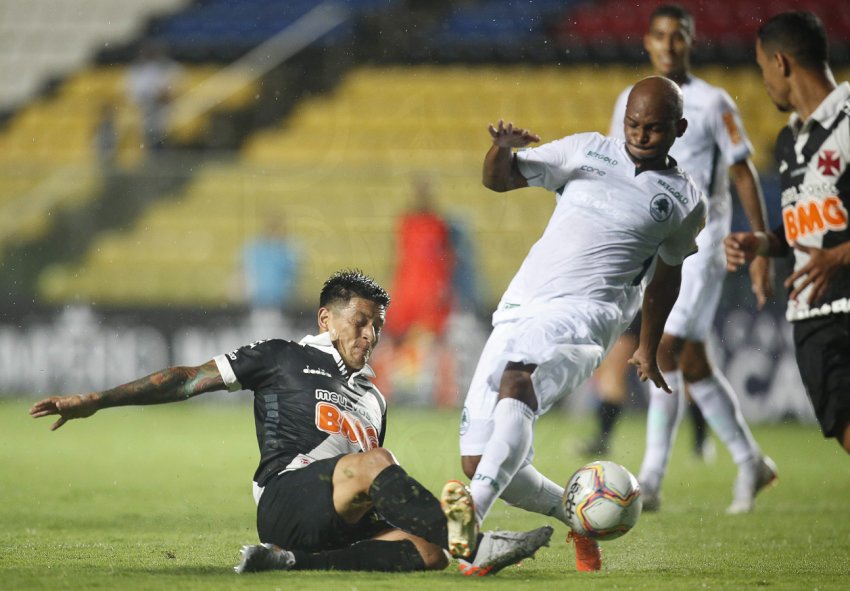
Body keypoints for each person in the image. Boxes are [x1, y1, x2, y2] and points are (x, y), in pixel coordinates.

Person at [30, 269, 552, 575]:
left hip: (336, 516)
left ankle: (289, 562)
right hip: (286, 497)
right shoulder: (280, 356)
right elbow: (188, 377)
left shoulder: (375, 398)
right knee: (379, 465)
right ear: (326, 319)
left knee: (427, 548)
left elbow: (366, 481)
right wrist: (98, 399)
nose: (370, 336)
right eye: (361, 322)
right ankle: (478, 547)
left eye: (378, 327)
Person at [443, 76, 707, 573]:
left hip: (587, 316)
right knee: (481, 463)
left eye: (653, 127)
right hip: (521, 306)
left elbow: (665, 280)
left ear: (679, 128)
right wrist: (500, 149)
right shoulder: (587, 150)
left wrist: (647, 347)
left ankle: (471, 514)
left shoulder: (682, 200)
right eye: (633, 123)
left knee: (517, 377)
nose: (640, 134)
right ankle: (579, 518)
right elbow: (498, 180)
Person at [606, 3, 778, 514]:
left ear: (690, 41)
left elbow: (743, 172)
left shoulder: (713, 102)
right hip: (657, 243)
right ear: (647, 41)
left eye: (678, 36)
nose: (668, 44)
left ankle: (652, 479)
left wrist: (762, 247)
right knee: (693, 363)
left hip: (703, 244)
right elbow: (619, 167)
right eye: (660, 35)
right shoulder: (630, 100)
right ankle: (752, 462)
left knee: (662, 349)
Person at [725, 11, 850, 456]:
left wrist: (839, 256)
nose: (764, 81)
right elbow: (805, 224)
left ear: (780, 63)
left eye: (761, 69)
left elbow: (831, 244)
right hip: (812, 313)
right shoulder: (789, 141)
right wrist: (762, 244)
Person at [126, 41, 182, 152]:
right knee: (151, 136)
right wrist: (154, 96)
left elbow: (175, 89)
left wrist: (165, 95)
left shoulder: (171, 68)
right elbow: (134, 94)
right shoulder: (137, 70)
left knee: (163, 136)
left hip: (167, 112)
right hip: (146, 111)